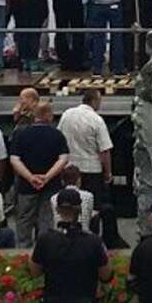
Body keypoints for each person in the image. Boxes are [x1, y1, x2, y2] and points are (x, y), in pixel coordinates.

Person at [59, 92, 122, 248]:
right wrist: (108, 173)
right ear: (94, 101)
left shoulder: (67, 115)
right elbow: (105, 150)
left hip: (70, 168)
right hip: (92, 169)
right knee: (93, 209)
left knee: (69, 204)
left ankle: (67, 237)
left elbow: (59, 137)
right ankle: (91, 240)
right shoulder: (97, 120)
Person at [9, 102, 69, 246]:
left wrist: (30, 177)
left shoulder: (21, 134)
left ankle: (23, 252)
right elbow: (63, 159)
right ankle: (44, 251)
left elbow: (14, 159)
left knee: (24, 220)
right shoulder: (57, 135)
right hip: (51, 186)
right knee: (46, 220)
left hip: (26, 186)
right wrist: (47, 177)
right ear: (48, 115)